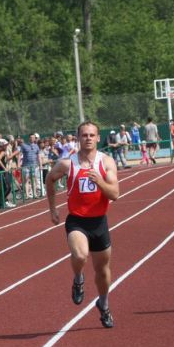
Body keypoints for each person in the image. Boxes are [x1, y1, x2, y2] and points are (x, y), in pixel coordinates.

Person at [47, 121, 120, 329]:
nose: (88, 138)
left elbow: (115, 194)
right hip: (77, 220)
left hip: (99, 222)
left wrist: (100, 182)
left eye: (91, 135)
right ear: (78, 138)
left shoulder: (106, 163)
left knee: (103, 271)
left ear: (98, 138)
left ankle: (103, 304)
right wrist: (52, 208)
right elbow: (50, 179)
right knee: (80, 255)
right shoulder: (67, 164)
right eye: (84, 135)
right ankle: (78, 278)